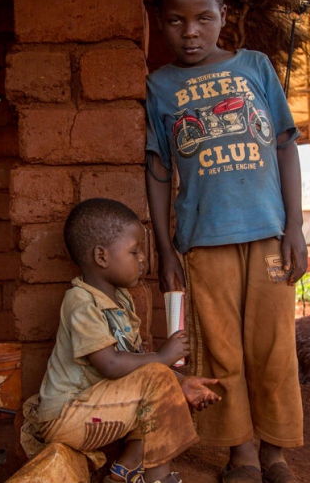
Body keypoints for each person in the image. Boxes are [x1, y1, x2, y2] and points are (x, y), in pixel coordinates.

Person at [144, 0, 309, 483]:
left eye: (203, 18)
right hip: (203, 243)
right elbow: (157, 171)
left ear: (224, 14)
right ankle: (239, 453)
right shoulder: (160, 88)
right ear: (160, 20)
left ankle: (275, 451)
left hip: (267, 237)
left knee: (274, 346)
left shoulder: (256, 68)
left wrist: (297, 227)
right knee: (220, 349)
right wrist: (166, 249)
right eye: (176, 20)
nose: (190, 32)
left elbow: (284, 148)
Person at [19, 198, 222, 483]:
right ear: (101, 257)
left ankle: (124, 471)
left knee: (162, 385)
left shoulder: (121, 299)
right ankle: (159, 477)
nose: (142, 259)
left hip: (96, 408)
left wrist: (180, 383)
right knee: (157, 377)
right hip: (67, 417)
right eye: (134, 251)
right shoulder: (81, 301)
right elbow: (111, 364)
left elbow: (137, 363)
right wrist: (163, 358)